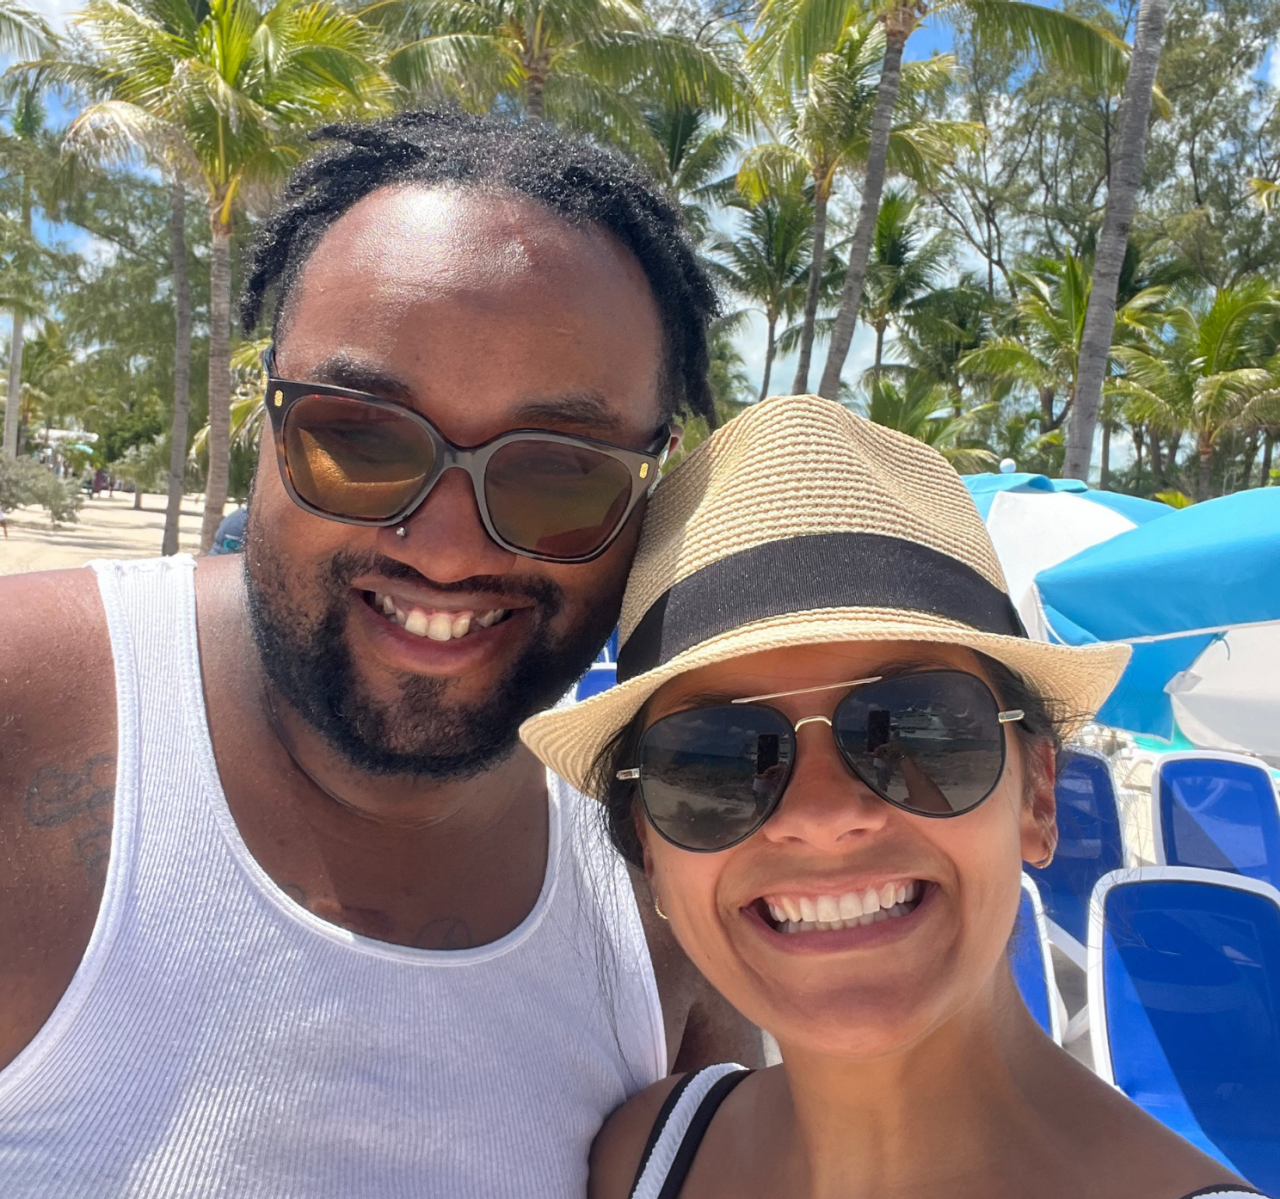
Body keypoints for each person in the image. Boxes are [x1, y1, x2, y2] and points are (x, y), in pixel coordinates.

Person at [0, 110, 759, 1197]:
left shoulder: (668, 890)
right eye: (358, 435)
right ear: (265, 420)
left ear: (650, 484)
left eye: (556, 470)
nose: (447, 550)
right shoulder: (22, 716)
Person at [521, 394, 1265, 1199]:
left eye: (916, 730)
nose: (824, 817)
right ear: (651, 852)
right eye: (714, 759)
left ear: (1039, 796)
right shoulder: (640, 1157)